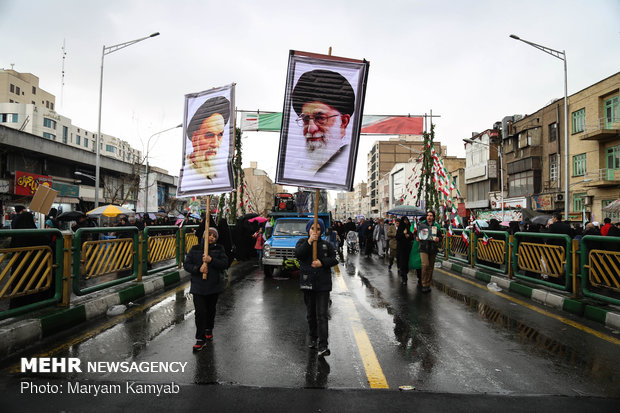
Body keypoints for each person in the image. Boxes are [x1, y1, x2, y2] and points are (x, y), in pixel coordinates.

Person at [286, 69, 355, 184]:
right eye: (306, 119)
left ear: (343, 122)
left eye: (320, 118)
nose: (311, 128)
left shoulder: (343, 165)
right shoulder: (306, 169)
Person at [295, 218, 338, 357]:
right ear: (308, 229)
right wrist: (309, 242)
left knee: (322, 315)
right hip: (308, 284)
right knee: (311, 314)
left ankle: (323, 345)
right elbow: (299, 255)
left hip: (323, 285)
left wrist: (322, 263)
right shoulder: (302, 242)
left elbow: (335, 258)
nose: (315, 231)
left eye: (318, 229)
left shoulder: (326, 244)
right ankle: (313, 338)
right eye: (312, 228)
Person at [183, 225, 228, 352]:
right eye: (210, 235)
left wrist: (211, 260)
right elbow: (187, 264)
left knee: (210, 310)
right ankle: (200, 339)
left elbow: (224, 264)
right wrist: (198, 269)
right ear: (203, 235)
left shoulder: (219, 249)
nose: (212, 237)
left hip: (213, 286)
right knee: (200, 312)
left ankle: (209, 328)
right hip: (198, 287)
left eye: (214, 236)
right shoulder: (195, 249)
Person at [180, 95, 232, 191]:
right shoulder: (190, 174)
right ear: (195, 139)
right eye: (209, 135)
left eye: (220, 135)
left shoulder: (218, 173)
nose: (215, 143)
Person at [417, 211, 443, 293]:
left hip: (433, 249)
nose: (429, 217)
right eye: (428, 215)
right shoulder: (422, 225)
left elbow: (440, 236)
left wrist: (438, 239)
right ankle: (423, 284)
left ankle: (428, 284)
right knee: (425, 265)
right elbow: (417, 235)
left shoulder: (436, 226)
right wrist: (417, 237)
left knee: (430, 267)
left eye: (431, 216)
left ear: (433, 217)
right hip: (423, 248)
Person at [396, 217, 413, 285]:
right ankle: (404, 278)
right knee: (402, 263)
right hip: (401, 248)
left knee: (407, 263)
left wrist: (409, 235)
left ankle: (406, 273)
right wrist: (403, 234)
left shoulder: (409, 227)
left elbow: (412, 236)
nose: (406, 222)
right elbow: (397, 237)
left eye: (407, 220)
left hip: (408, 248)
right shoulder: (400, 228)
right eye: (404, 220)